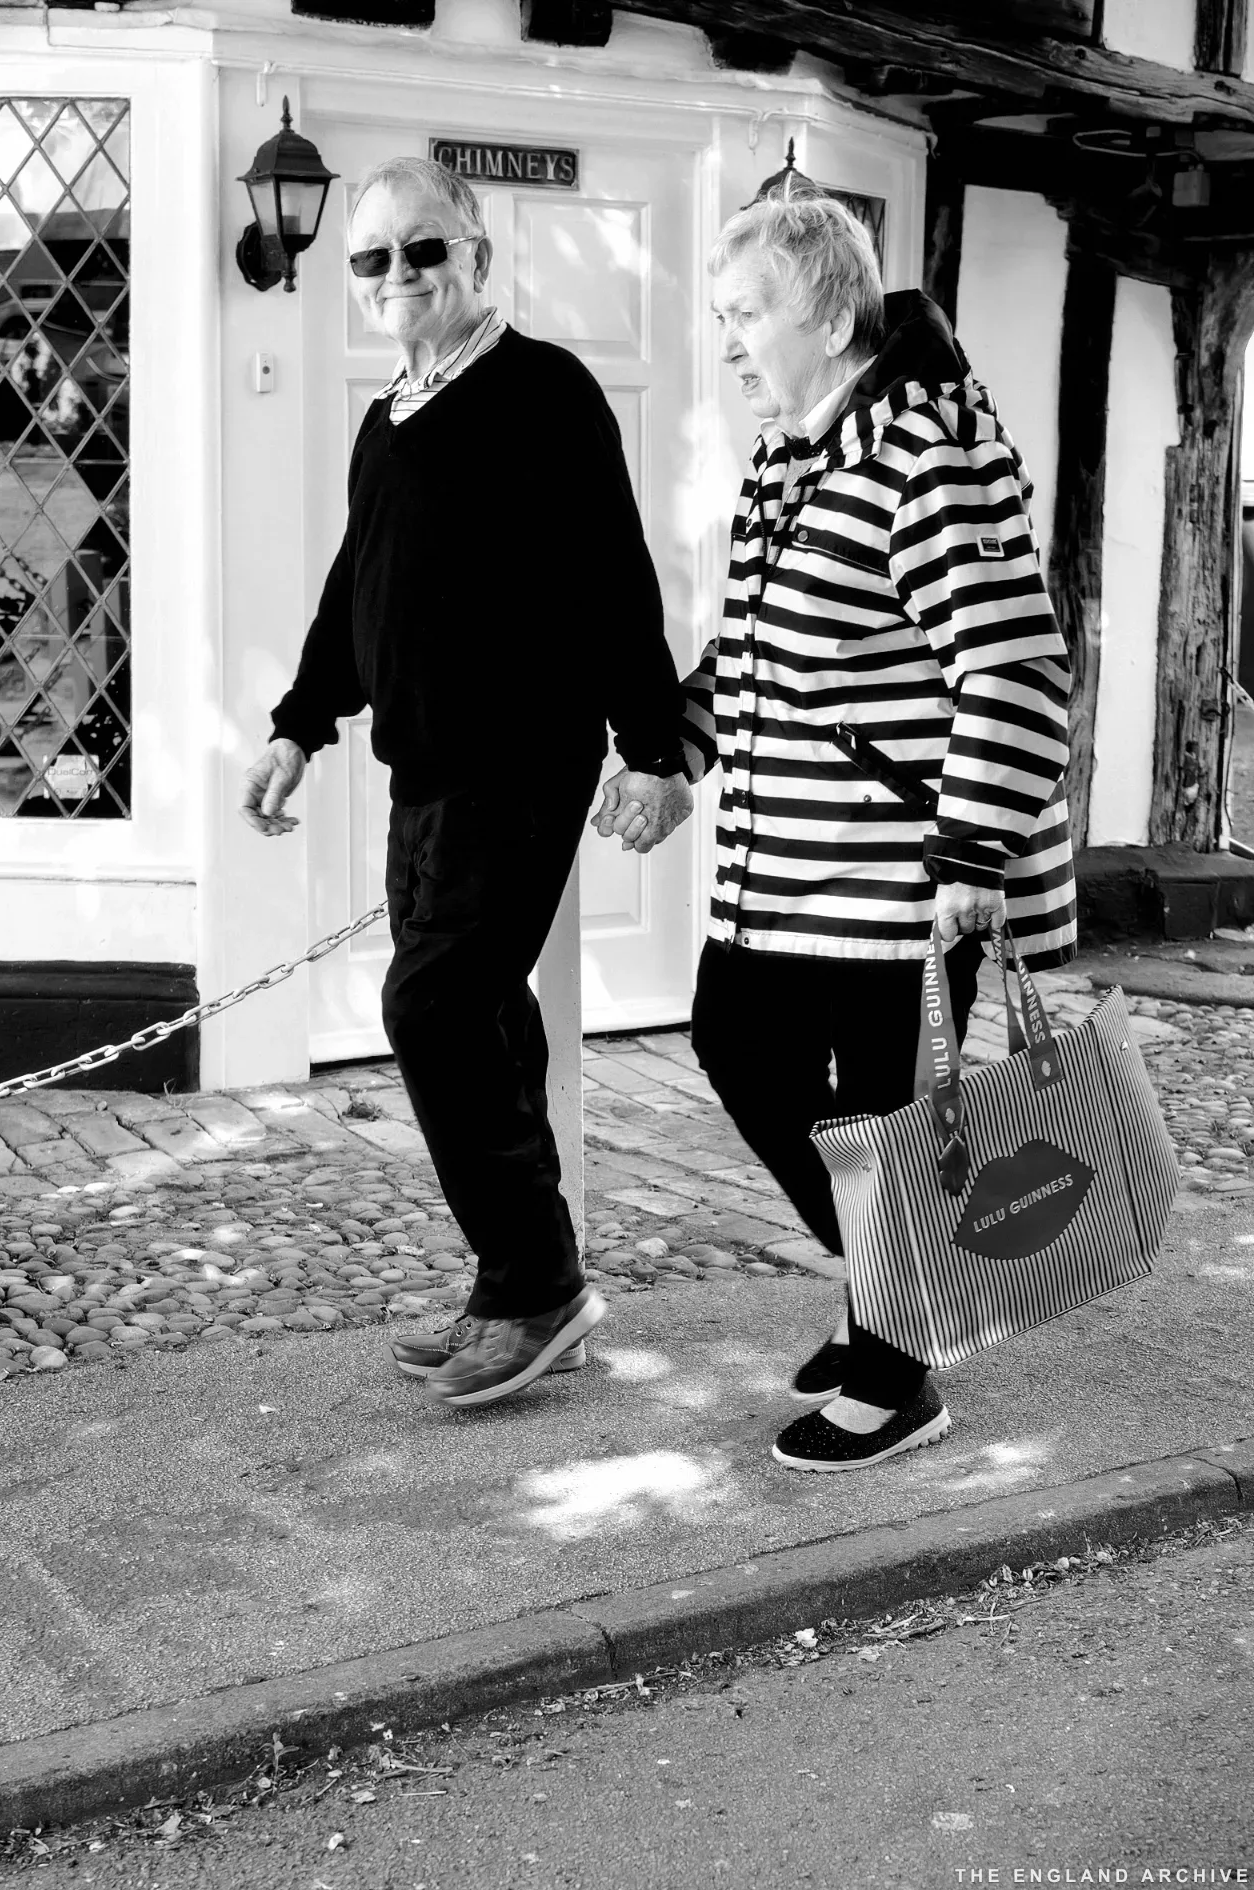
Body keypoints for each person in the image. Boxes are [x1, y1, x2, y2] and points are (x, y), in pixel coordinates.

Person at [610, 192, 1076, 1471]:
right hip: (779, 874)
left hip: (893, 884)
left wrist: (972, 853)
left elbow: (1014, 660)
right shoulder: (792, 454)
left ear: (825, 312)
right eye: (721, 319)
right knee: (736, 1046)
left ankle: (896, 1370)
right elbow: (756, 649)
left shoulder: (925, 450)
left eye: (746, 315)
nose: (730, 343)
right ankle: (898, 1288)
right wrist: (676, 754)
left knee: (880, 1121)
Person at [240, 156, 690, 1409]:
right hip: (421, 776)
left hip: (520, 766)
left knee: (430, 1012)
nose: (398, 277)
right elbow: (357, 588)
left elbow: (611, 572)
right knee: (487, 1021)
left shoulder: (543, 390)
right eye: (374, 260)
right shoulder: (389, 420)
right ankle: (522, 1285)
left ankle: (538, 1283)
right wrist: (299, 724)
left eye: (423, 251)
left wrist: (654, 750)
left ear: (478, 257)